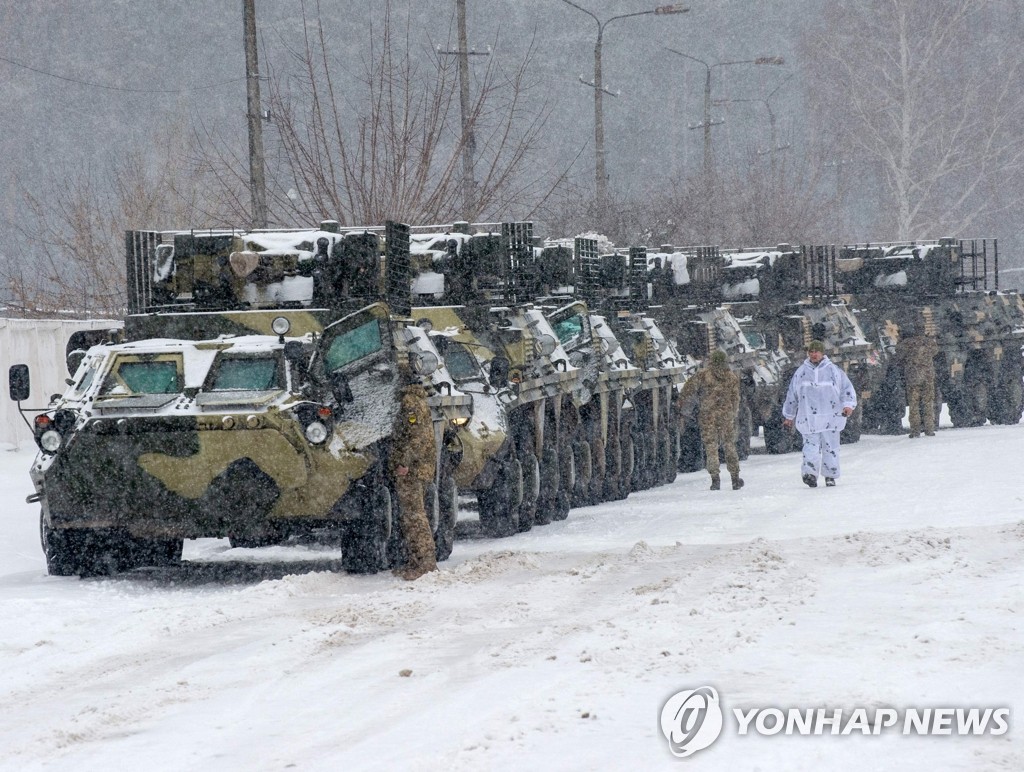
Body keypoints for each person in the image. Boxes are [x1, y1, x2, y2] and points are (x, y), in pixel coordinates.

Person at [782, 340, 857, 488]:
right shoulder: (801, 373)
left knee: (831, 447)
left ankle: (830, 475)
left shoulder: (834, 371)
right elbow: (792, 395)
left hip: (831, 417)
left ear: (822, 353)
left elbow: (846, 389)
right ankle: (810, 474)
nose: (813, 354)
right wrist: (789, 416)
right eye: (811, 352)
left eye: (816, 351)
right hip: (809, 418)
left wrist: (848, 405)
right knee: (810, 447)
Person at [389, 377, 438, 580]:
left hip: (413, 470)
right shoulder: (418, 399)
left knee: (414, 516)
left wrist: (404, 462)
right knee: (412, 515)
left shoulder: (410, 401)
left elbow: (416, 436)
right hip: (419, 468)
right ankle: (416, 562)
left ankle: (425, 563)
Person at [677, 350, 744, 491]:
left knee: (711, 447)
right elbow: (736, 398)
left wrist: (686, 406)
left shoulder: (702, 375)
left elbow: (687, 391)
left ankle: (715, 479)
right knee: (729, 445)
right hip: (726, 417)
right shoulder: (731, 377)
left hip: (707, 416)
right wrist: (733, 413)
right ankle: (735, 478)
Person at [896, 328, 939, 438]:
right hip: (928, 376)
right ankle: (929, 429)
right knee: (928, 403)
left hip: (913, 377)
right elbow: (935, 351)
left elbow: (898, 354)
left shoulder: (906, 343)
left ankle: (915, 431)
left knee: (914, 404)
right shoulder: (929, 342)